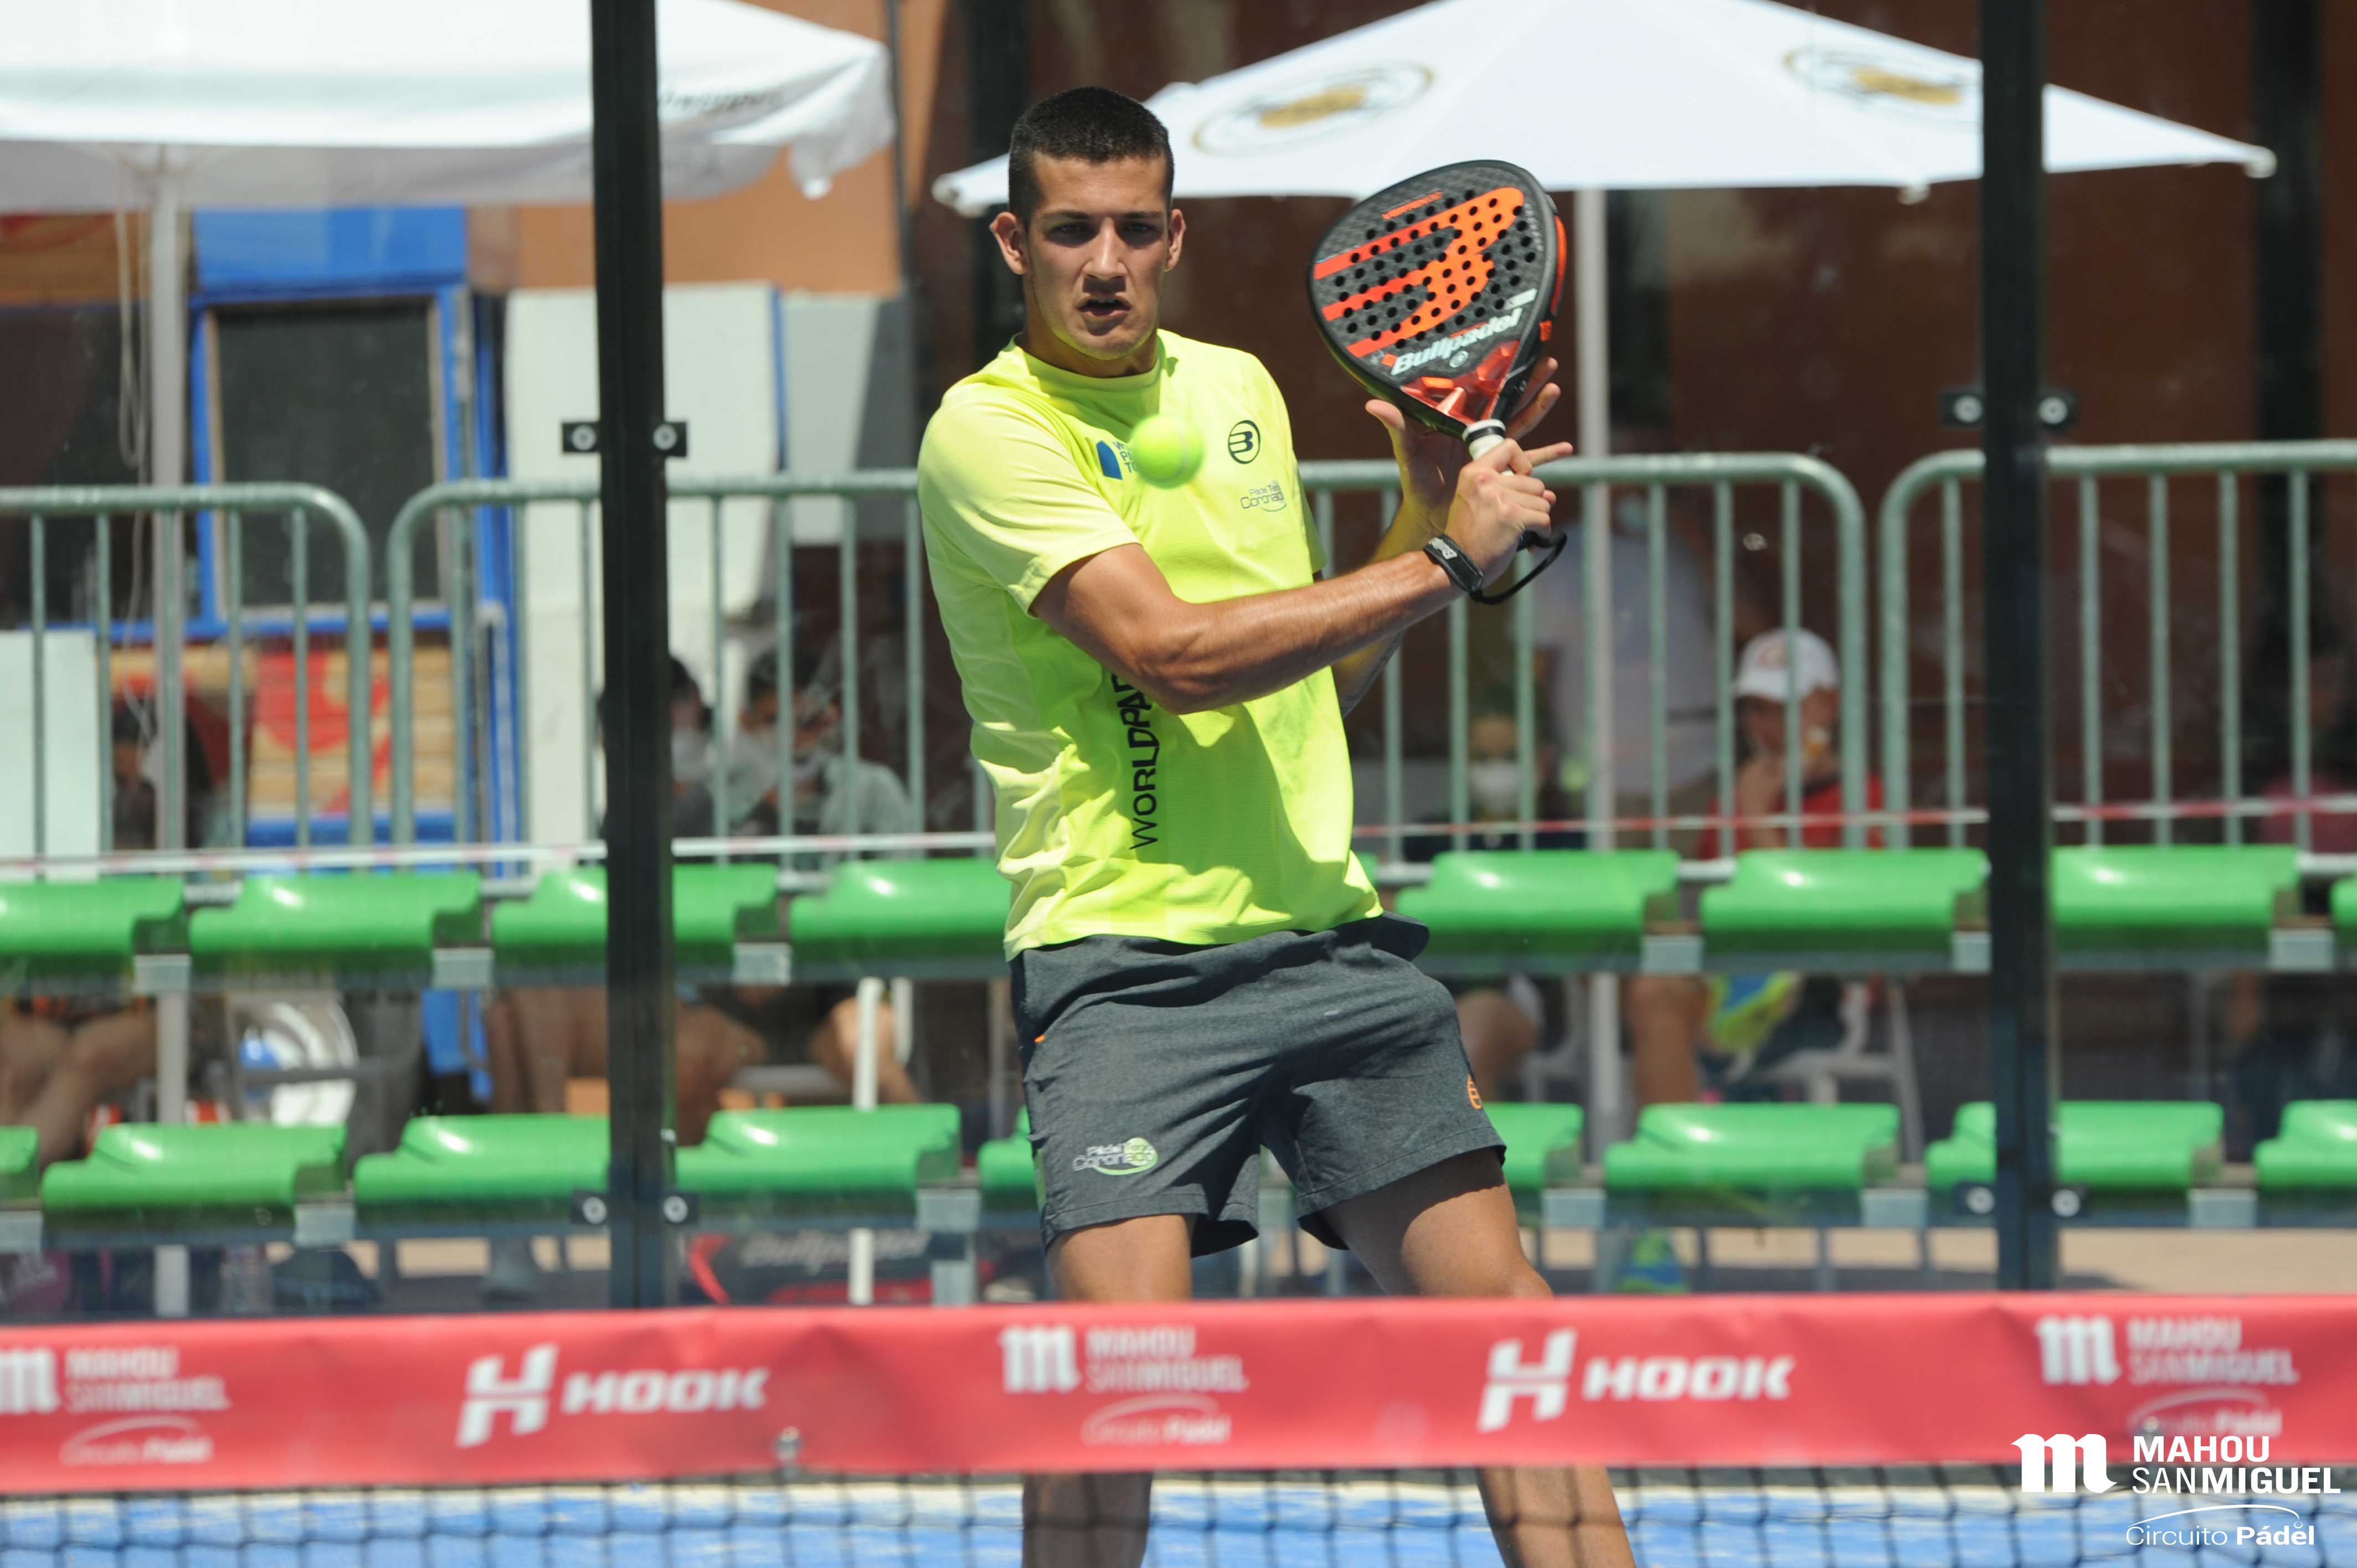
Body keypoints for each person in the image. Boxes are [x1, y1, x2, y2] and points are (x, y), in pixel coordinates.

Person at [917, 87, 1629, 1567]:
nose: (1104, 262)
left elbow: (1305, 679)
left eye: (1134, 229)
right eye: (1070, 231)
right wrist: (1443, 561)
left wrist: (1411, 524)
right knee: (1117, 1393)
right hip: (1126, 972)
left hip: (1327, 942)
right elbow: (1172, 657)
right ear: (1016, 245)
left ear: (1174, 236)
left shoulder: (1240, 389)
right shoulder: (987, 431)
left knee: (1511, 1352)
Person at [480, 653, 918, 1302]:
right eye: (775, 722)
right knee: (674, 1060)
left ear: (834, 719)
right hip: (735, 1009)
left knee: (864, 1050)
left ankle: (929, 1208)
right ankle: (699, 1244)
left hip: (839, 993)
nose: (797, 738)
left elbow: (902, 906)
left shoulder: (872, 791)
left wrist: (794, 948)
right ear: (745, 722)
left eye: (810, 720)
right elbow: (641, 881)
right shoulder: (714, 796)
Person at [1397, 697, 1584, 1103]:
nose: (1496, 770)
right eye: (1482, 758)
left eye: (1511, 757)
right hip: (1427, 986)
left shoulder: (1566, 839)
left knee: (1468, 1034)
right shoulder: (1429, 837)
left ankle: (1476, 1147)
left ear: (1543, 760)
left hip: (1526, 995)